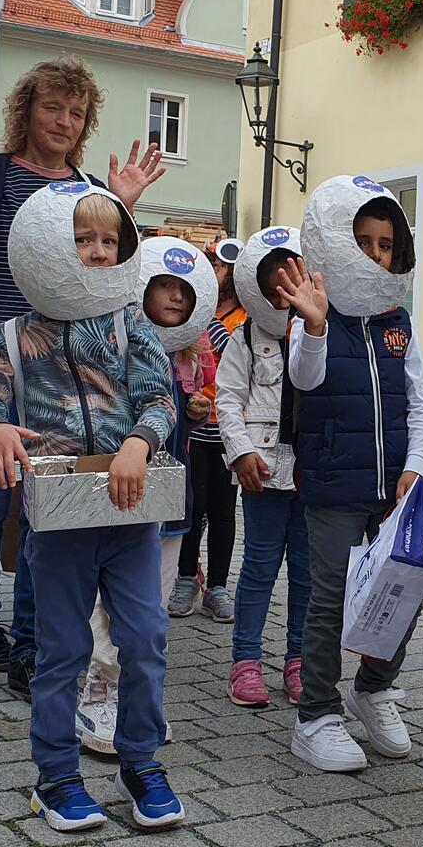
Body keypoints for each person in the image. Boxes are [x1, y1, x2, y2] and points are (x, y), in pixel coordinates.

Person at [0, 58, 165, 675]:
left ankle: (30, 641)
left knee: (41, 505)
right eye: (54, 108)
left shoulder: (84, 191)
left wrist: (119, 206)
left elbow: (103, 264)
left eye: (77, 114)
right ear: (27, 110)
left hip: (58, 362)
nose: (64, 122)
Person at [0, 182, 184, 831]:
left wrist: (139, 444)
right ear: (45, 250)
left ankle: (140, 762)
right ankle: (55, 776)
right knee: (61, 651)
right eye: (81, 239)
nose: (95, 251)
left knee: (145, 639)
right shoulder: (15, 336)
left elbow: (159, 399)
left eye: (108, 241)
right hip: (57, 523)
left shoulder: (130, 323)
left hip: (128, 514)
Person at [272, 175, 423, 772]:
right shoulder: (314, 309)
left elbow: (421, 403)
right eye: (362, 240)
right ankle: (315, 715)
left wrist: (416, 467)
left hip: (393, 488)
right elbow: (305, 380)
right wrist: (314, 326)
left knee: (404, 586)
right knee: (329, 599)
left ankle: (373, 688)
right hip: (334, 483)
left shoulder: (398, 320)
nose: (374, 254)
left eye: (385, 244)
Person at [73, 235, 220, 750]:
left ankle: (139, 694)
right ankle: (99, 686)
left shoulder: (192, 358)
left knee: (152, 607)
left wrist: (196, 407)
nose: (176, 297)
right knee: (108, 602)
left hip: (169, 499)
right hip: (121, 496)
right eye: (164, 286)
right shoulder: (117, 343)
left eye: (185, 290)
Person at [217, 226, 312, 708]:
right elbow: (228, 400)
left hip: (313, 476)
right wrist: (240, 451)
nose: (284, 291)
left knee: (307, 571)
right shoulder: (246, 339)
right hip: (264, 473)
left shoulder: (323, 331)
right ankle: (245, 661)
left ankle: (298, 661)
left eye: (292, 277)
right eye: (274, 282)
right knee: (258, 567)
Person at [167, 236, 245, 621]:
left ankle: (217, 585)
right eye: (210, 264)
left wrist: (208, 325)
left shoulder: (245, 315)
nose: (213, 272)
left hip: (228, 431)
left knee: (223, 511)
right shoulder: (191, 310)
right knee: (191, 507)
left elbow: (235, 357)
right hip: (194, 432)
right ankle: (185, 577)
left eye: (219, 265)